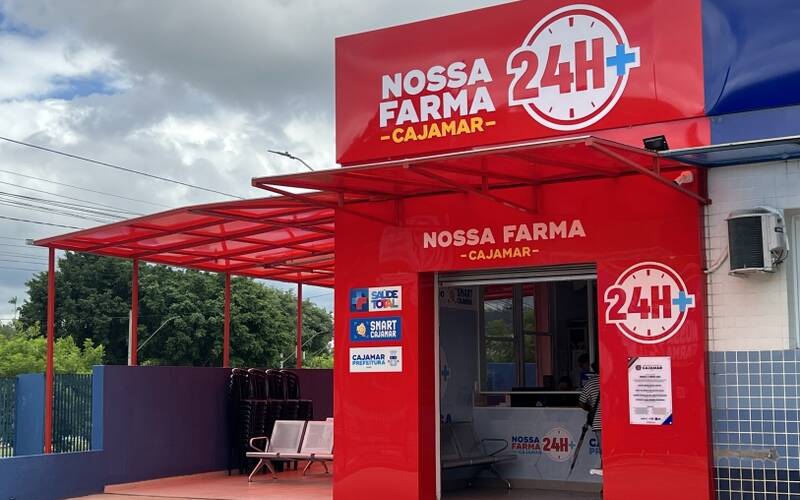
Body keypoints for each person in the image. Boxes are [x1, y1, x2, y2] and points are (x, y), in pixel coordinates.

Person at [579, 362, 601, 450]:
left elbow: (581, 402)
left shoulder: (591, 383)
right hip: (613, 420)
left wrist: (591, 409)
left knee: (603, 450)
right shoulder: (612, 380)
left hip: (598, 421)